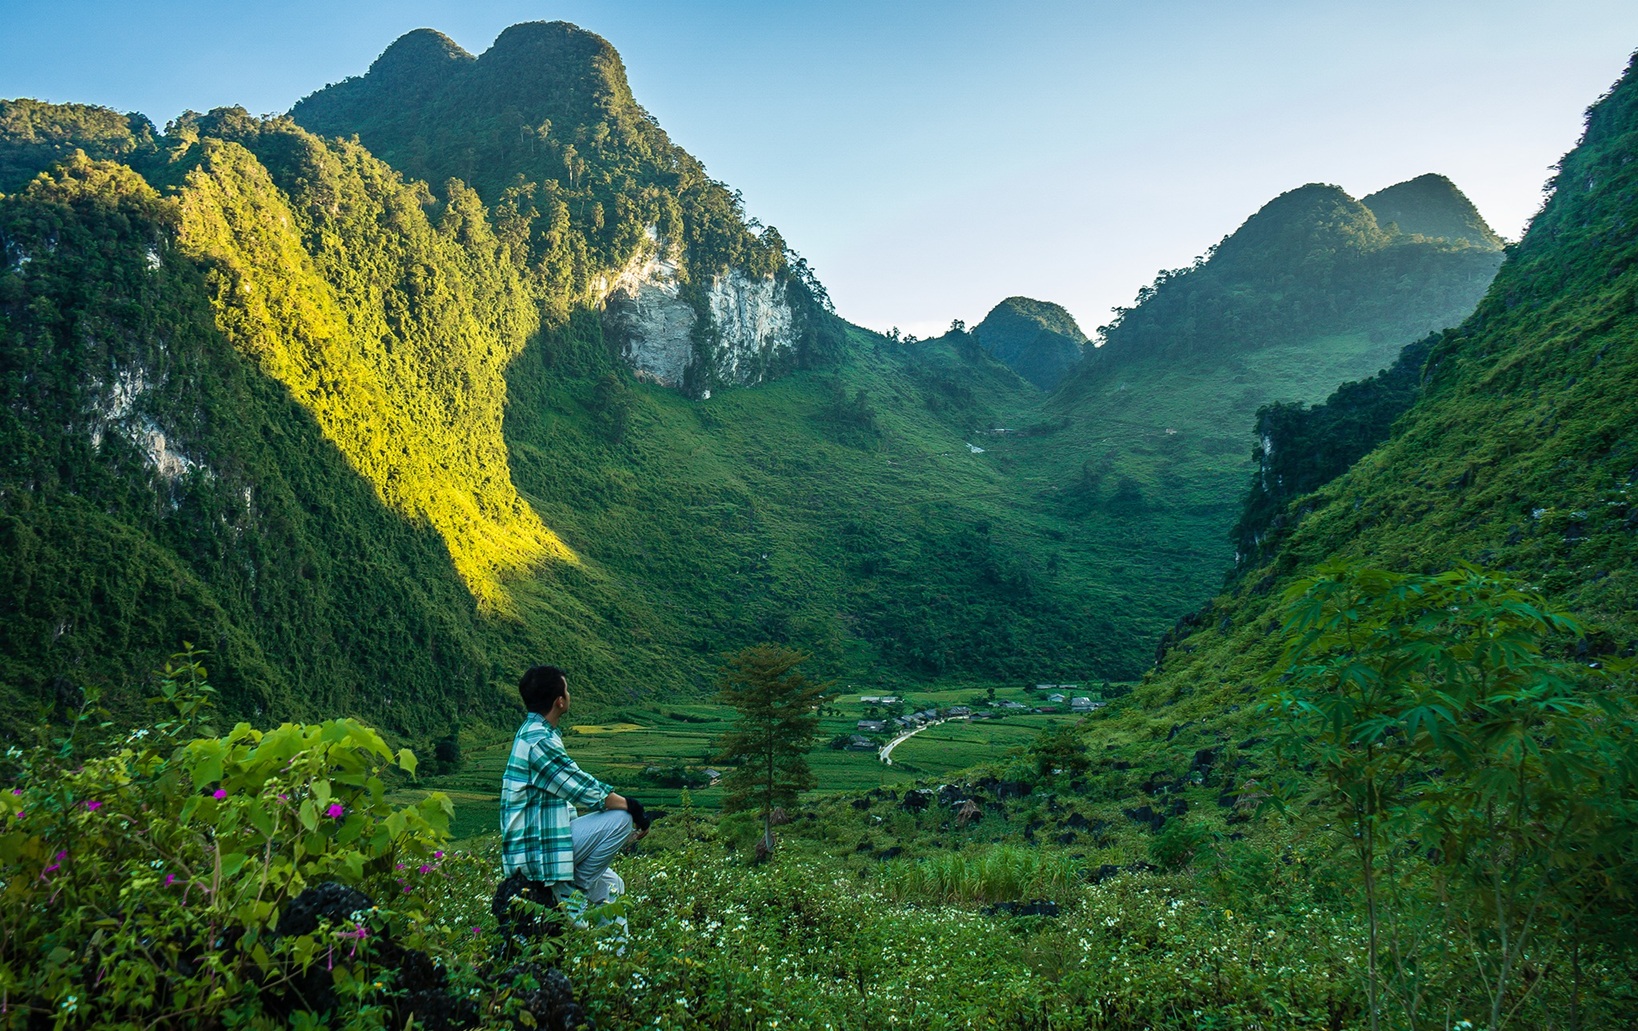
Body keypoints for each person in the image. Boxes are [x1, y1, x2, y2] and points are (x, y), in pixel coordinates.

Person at [497, 665, 648, 928]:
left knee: (613, 886)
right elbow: (583, 788)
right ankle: (574, 891)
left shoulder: (537, 732)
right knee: (621, 819)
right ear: (560, 700)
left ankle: (614, 957)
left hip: (545, 842)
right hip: (537, 853)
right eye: (566, 690)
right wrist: (634, 809)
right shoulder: (539, 740)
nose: (568, 694)